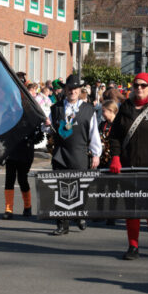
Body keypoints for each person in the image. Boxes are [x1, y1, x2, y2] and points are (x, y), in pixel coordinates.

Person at [109, 72, 148, 260]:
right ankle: (133, 245)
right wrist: (115, 157)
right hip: (129, 166)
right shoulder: (125, 108)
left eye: (143, 85)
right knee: (132, 208)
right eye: (136, 85)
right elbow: (115, 136)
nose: (139, 88)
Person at [47, 74, 102, 235]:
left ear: (79, 90)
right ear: (65, 89)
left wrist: (96, 154)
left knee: (79, 187)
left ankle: (79, 215)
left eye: (75, 89)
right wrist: (46, 125)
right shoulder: (55, 108)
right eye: (70, 88)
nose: (72, 91)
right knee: (60, 189)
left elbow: (94, 134)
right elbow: (48, 129)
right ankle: (62, 224)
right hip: (60, 154)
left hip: (79, 154)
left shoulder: (88, 109)